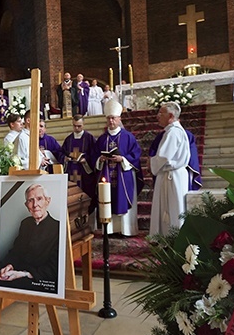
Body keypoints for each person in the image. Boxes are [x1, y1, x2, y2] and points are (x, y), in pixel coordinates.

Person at [0, 184, 60, 293]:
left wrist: (23, 274)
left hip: (40, 277)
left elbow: (53, 269)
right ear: (26, 205)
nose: (35, 205)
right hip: (19, 270)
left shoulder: (58, 227)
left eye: (39, 199)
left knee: (2, 284)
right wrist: (9, 266)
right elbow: (16, 251)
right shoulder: (25, 223)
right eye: (30, 200)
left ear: (47, 201)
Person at [95, 99, 144, 236]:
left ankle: (126, 230)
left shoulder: (128, 137)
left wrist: (122, 159)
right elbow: (94, 155)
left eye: (113, 118)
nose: (111, 121)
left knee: (122, 197)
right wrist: (101, 159)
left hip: (123, 173)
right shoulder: (102, 139)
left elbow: (136, 154)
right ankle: (110, 230)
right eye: (109, 118)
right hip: (107, 174)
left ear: (119, 118)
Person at [149, 101, 191, 236]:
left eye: (161, 113)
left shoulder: (173, 132)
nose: (157, 116)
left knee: (172, 208)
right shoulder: (173, 131)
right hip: (172, 175)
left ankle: (172, 239)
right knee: (172, 208)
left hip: (172, 176)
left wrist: (151, 162)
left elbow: (163, 156)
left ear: (171, 116)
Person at [62, 114, 98, 213]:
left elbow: (95, 154)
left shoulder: (89, 138)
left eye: (79, 126)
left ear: (84, 124)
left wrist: (85, 160)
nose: (77, 128)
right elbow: (62, 153)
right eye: (75, 126)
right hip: (72, 172)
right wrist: (65, 158)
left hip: (85, 173)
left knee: (87, 196)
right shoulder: (68, 139)